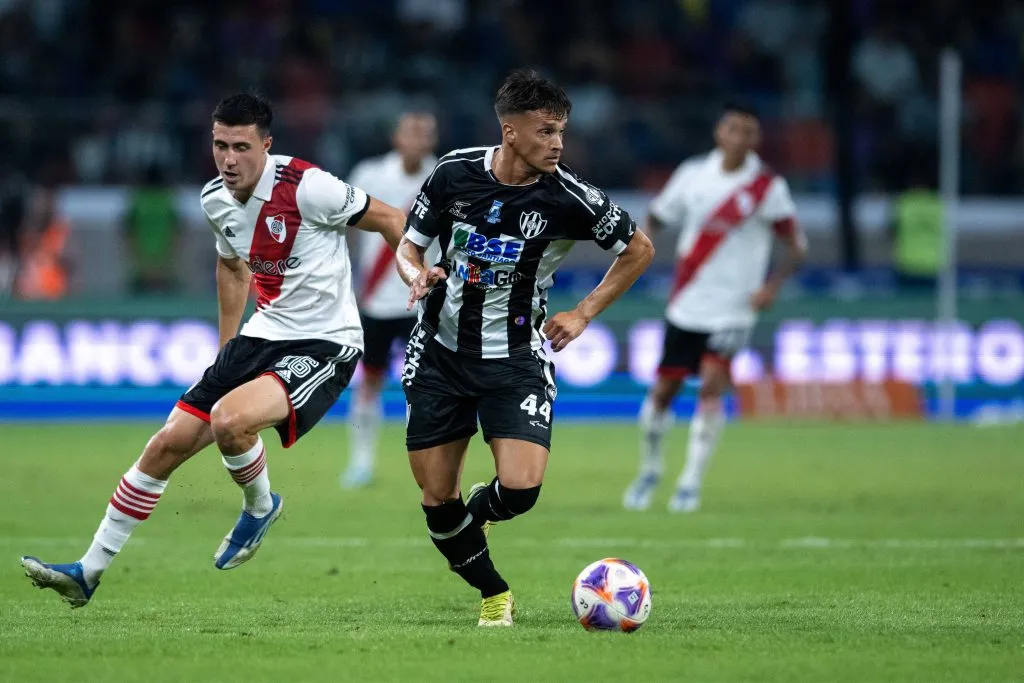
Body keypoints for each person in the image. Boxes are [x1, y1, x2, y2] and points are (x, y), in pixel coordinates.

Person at [20, 93, 407, 608]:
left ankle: (260, 505)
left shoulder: (309, 186)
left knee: (229, 420)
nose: (228, 159)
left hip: (326, 340)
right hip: (262, 336)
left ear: (266, 146)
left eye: (241, 147)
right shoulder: (214, 199)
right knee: (165, 446)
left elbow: (391, 218)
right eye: (220, 145)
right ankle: (87, 571)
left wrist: (416, 274)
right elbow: (231, 267)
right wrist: (226, 352)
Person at [395, 69, 655, 627]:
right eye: (545, 131)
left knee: (520, 489)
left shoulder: (569, 198)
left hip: (515, 359)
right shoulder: (454, 173)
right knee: (436, 499)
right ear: (510, 132)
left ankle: (479, 517)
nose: (557, 143)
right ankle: (494, 593)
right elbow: (407, 247)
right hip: (439, 355)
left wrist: (584, 311)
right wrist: (416, 273)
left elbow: (639, 250)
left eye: (561, 131)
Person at [622, 101, 806, 514]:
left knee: (710, 386)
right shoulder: (692, 175)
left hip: (734, 308)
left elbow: (797, 245)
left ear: (756, 139)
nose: (739, 138)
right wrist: (638, 259)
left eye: (748, 131)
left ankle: (689, 482)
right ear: (719, 133)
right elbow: (656, 216)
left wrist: (772, 286)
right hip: (687, 302)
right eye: (733, 129)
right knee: (664, 391)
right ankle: (651, 469)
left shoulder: (767, 186)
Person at [343, 112, 439, 488]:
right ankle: (361, 462)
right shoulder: (369, 174)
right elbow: (346, 228)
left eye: (425, 132)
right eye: (411, 131)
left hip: (426, 301)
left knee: (432, 386)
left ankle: (433, 464)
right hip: (377, 301)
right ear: (397, 137)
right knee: (369, 382)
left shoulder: (444, 175)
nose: (418, 139)